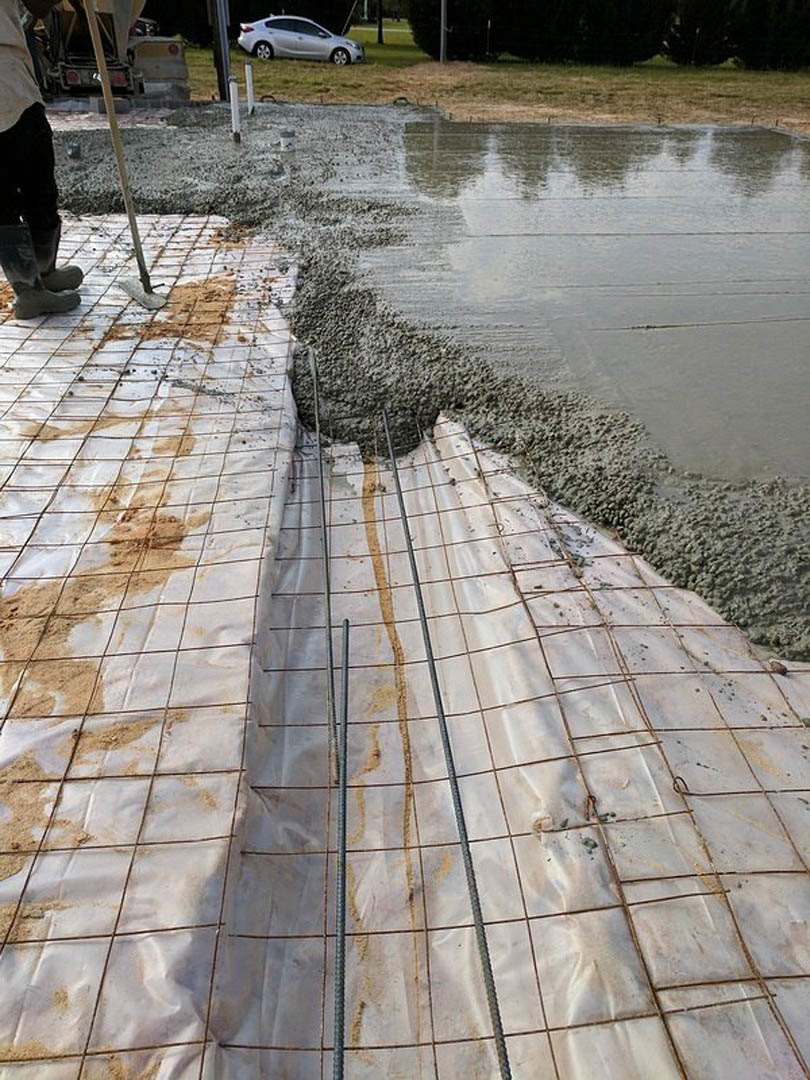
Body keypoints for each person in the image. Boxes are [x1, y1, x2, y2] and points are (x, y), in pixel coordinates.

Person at [0, 0, 83, 319]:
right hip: (8, 88)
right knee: (37, 186)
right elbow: (37, 4)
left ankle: (36, 280)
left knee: (5, 200)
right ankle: (35, 285)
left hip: (9, 82)